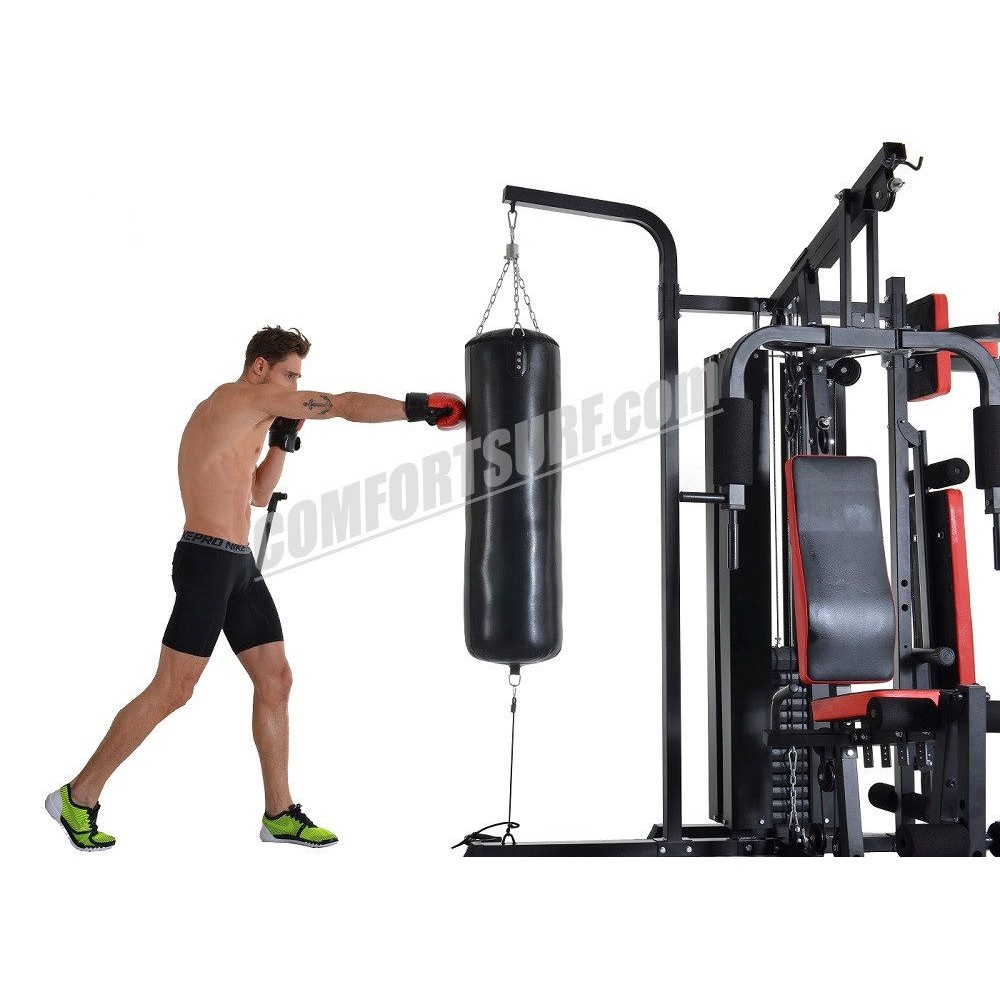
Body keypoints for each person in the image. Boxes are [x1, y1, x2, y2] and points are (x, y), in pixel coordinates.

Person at [46, 325, 465, 850]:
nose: (295, 387)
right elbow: (342, 404)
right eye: (289, 375)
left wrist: (282, 443)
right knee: (173, 689)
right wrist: (418, 409)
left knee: (276, 678)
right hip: (206, 560)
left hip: (239, 564)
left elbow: (258, 495)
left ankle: (279, 813)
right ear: (260, 367)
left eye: (298, 378)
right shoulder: (236, 397)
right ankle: (77, 795)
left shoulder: (252, 414)